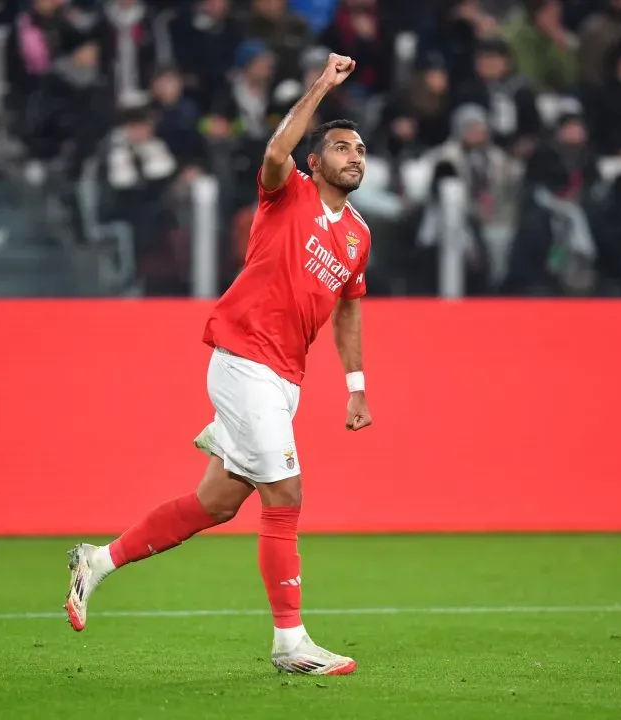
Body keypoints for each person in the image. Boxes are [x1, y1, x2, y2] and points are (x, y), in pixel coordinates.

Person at [64, 53, 373, 676]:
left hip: (286, 377)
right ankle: (291, 644)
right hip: (244, 360)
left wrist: (356, 385)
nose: (356, 156)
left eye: (361, 149)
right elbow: (276, 149)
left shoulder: (359, 235)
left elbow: (347, 309)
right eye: (342, 147)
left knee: (217, 503)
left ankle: (97, 560)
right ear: (317, 162)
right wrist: (319, 86)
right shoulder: (289, 193)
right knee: (285, 492)